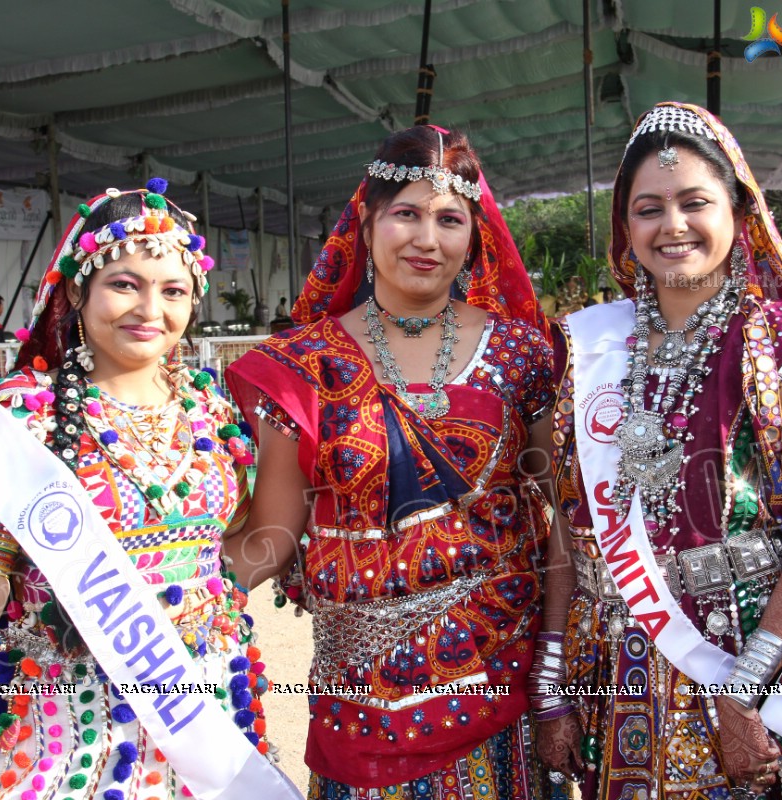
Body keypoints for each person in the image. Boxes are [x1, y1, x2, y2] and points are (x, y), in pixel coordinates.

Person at [0, 179, 300, 800]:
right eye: (125, 284)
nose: (151, 310)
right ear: (77, 288)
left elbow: (230, 556)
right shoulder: (16, 425)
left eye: (173, 290)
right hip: (57, 736)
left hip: (205, 732)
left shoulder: (213, 417)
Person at [538, 102, 782, 800]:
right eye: (648, 208)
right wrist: (550, 689)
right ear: (624, 226)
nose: (672, 226)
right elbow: (568, 532)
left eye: (695, 202)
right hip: (614, 669)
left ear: (739, 213)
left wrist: (745, 691)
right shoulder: (587, 351)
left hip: (743, 656)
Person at [223, 125, 559, 796]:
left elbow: (566, 519)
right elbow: (271, 538)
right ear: (367, 220)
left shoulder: (526, 357)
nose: (426, 239)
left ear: (475, 237)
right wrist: (143, 591)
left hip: (500, 702)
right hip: (358, 716)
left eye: (449, 219)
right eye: (406, 213)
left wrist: (554, 681)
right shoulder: (305, 365)